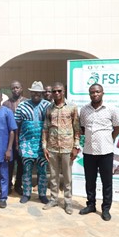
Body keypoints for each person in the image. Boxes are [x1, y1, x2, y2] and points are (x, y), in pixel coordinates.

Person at [79, 83, 119, 221]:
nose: (95, 94)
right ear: (89, 94)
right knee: (90, 181)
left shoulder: (111, 109)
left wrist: (109, 139)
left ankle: (106, 209)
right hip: (89, 151)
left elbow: (117, 128)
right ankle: (91, 205)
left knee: (107, 182)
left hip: (106, 152)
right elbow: (83, 128)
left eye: (97, 92)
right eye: (92, 92)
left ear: (103, 93)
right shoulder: (84, 110)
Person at [42, 82, 81, 215]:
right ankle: (53, 199)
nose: (56, 93)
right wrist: (44, 146)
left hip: (67, 148)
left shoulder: (72, 107)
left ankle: (68, 202)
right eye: (54, 91)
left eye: (59, 91)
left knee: (67, 177)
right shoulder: (49, 108)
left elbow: (77, 129)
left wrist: (76, 146)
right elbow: (45, 128)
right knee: (53, 176)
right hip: (52, 147)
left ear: (64, 91)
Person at [14, 81, 51, 204]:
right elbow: (16, 126)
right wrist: (17, 144)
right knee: (27, 170)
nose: (36, 94)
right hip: (26, 143)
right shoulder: (22, 106)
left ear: (42, 93)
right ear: (30, 92)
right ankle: (27, 193)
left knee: (43, 170)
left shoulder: (48, 106)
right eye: (34, 92)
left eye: (39, 92)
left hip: (43, 144)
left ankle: (42, 194)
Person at [2, 80, 28, 195]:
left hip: (24, 137)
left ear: (21, 88)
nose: (15, 90)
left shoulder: (27, 102)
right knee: (9, 163)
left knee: (21, 163)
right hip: (10, 138)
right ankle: (8, 185)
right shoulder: (6, 104)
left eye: (17, 87)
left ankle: (18, 184)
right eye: (13, 88)